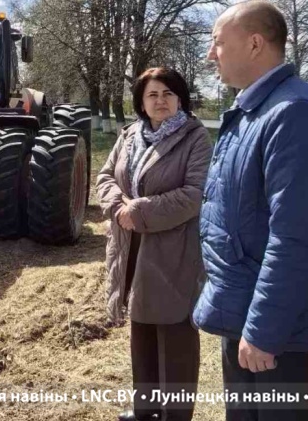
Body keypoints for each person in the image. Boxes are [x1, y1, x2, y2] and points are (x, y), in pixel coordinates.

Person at [192, 0, 308, 420]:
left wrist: (264, 331)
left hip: (276, 334)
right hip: (241, 312)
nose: (210, 54)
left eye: (218, 42)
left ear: (255, 43)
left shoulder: (294, 113)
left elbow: (296, 237)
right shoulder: (249, 111)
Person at [97, 67, 212, 421]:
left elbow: (195, 195)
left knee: (174, 336)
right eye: (152, 95)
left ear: (180, 99)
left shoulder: (195, 138)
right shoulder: (130, 135)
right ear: (141, 103)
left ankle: (175, 416)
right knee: (141, 330)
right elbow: (104, 177)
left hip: (172, 251)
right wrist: (119, 210)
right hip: (130, 248)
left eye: (167, 93)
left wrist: (141, 213)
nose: (160, 100)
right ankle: (145, 410)